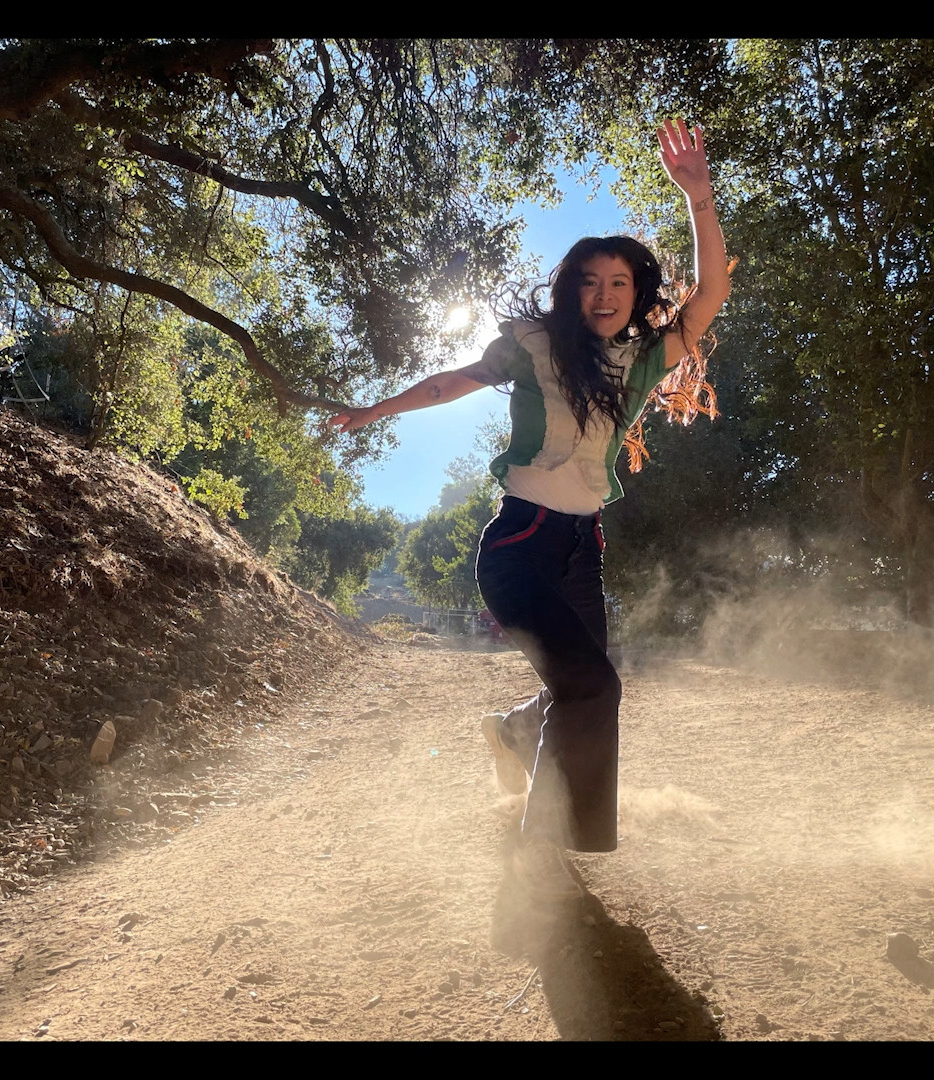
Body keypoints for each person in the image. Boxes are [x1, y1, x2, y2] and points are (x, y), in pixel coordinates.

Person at [328, 119, 730, 900]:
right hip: (520, 543)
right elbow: (453, 382)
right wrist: (376, 411)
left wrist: (700, 201)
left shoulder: (644, 359)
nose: (605, 295)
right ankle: (539, 845)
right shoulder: (533, 344)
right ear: (570, 291)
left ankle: (516, 730)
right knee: (593, 688)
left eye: (619, 283)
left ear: (637, 293)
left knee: (579, 684)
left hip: (583, 545)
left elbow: (711, 292)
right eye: (590, 282)